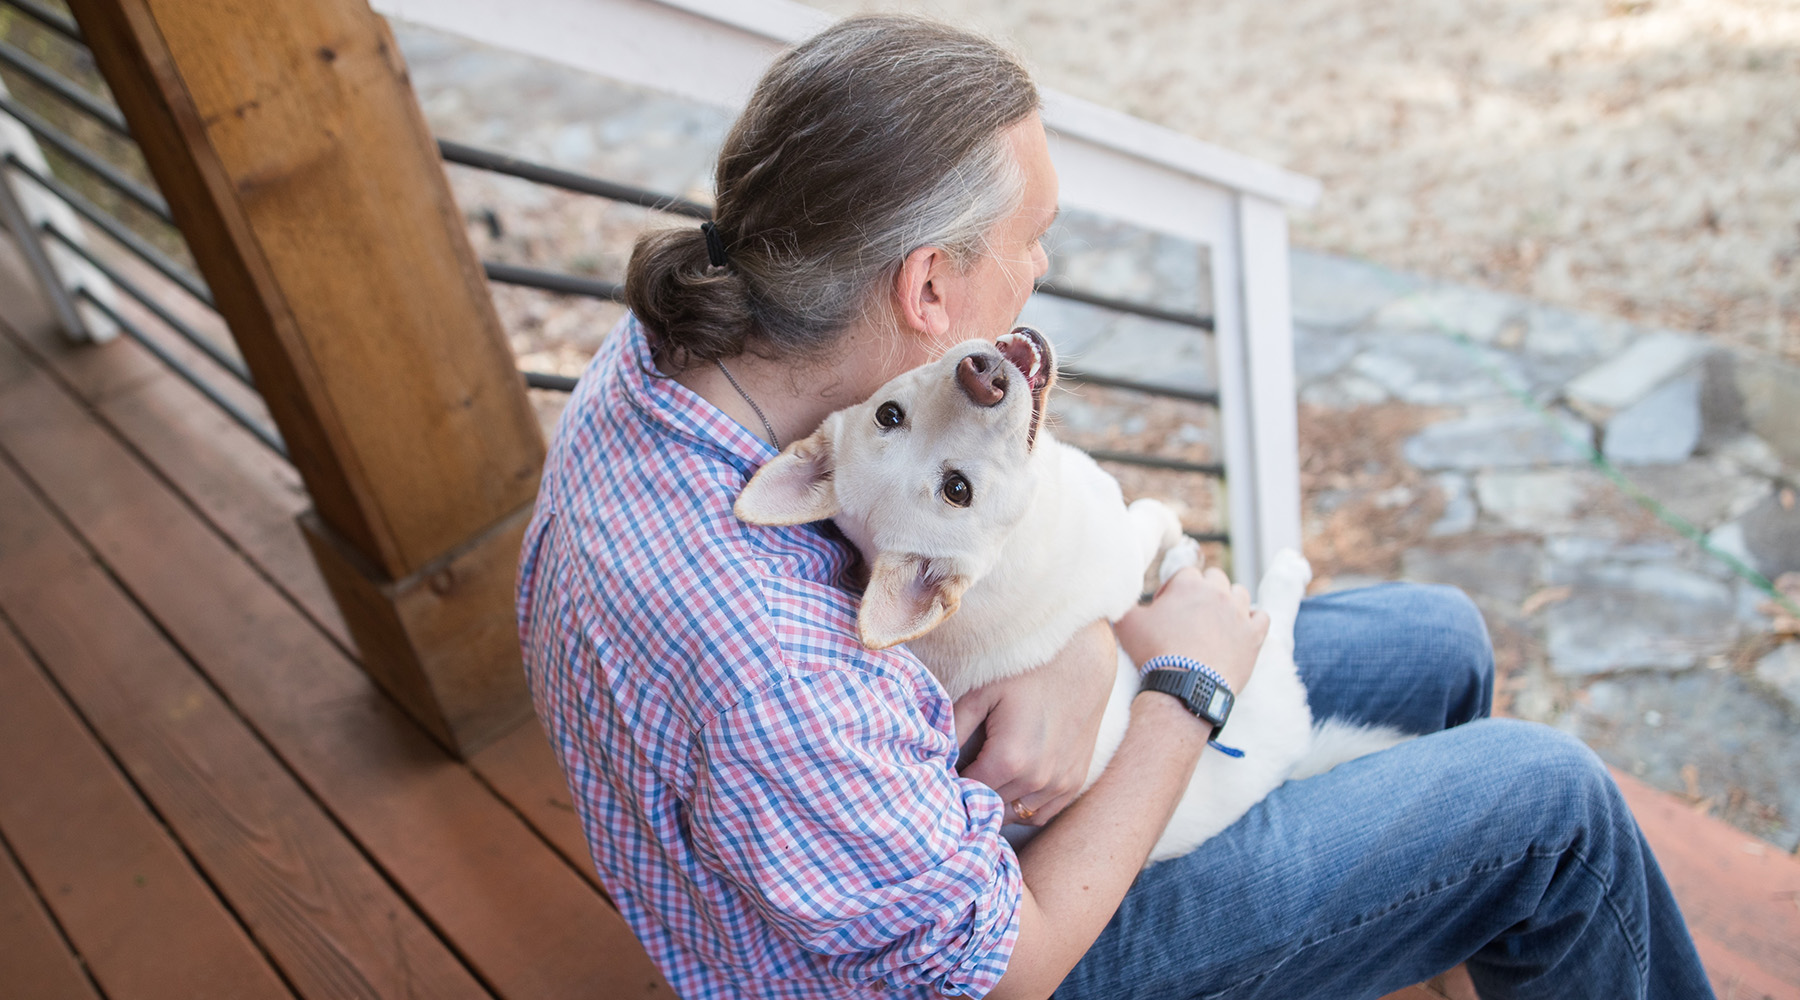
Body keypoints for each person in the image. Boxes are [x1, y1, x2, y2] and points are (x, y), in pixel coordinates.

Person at [516, 14, 1715, 1000]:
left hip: (911, 783)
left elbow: (973, 528)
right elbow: (1008, 964)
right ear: (929, 284)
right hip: (996, 942)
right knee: (1553, 807)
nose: (1038, 270)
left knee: (1440, 642)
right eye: (1031, 239)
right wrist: (1178, 694)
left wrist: (1093, 650)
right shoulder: (765, 660)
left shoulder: (694, 337)